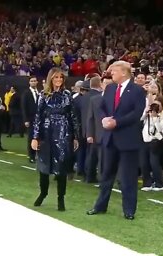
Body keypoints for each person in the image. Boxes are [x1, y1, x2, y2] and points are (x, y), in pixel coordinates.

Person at [87, 61, 146, 220]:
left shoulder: (138, 90)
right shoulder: (111, 88)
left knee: (127, 178)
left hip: (127, 139)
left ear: (124, 72)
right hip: (109, 139)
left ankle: (129, 211)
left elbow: (136, 113)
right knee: (106, 176)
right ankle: (100, 206)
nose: (110, 73)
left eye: (114, 71)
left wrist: (117, 122)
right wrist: (104, 119)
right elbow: (102, 107)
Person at [31, 67, 80, 211]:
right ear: (50, 78)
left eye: (61, 77)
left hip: (64, 133)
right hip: (46, 133)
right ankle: (43, 193)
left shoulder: (67, 95)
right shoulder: (43, 95)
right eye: (56, 77)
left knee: (62, 167)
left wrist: (75, 136)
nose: (58, 80)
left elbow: (73, 117)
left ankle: (61, 198)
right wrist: (35, 137)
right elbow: (38, 117)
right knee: (44, 167)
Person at [21, 76, 39, 163]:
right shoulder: (26, 93)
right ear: (29, 83)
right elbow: (24, 107)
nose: (33, 82)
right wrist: (26, 120)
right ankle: (31, 156)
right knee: (31, 137)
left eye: (35, 81)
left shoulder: (39, 93)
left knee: (38, 137)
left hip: (39, 119)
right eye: (32, 81)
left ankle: (37, 154)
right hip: (30, 119)